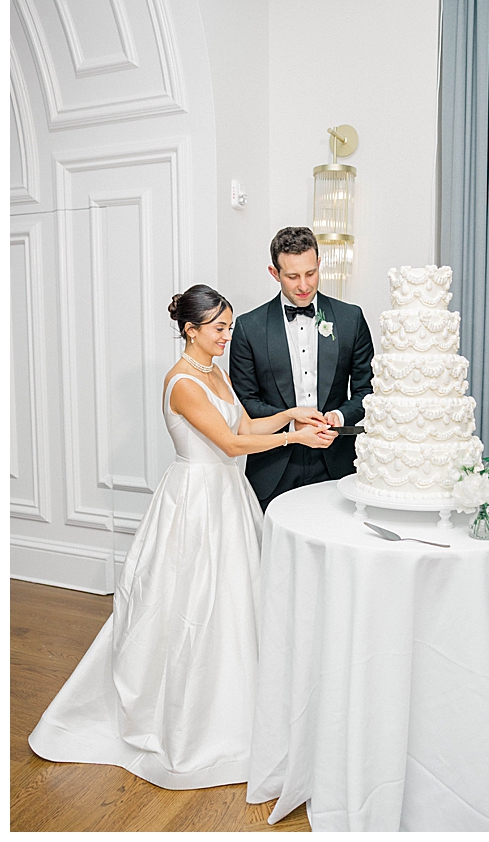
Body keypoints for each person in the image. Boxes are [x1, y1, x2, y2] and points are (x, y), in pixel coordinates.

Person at [28, 284, 336, 790]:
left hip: (227, 500)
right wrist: (297, 437)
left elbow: (246, 424)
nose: (226, 337)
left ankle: (238, 704)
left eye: (229, 327)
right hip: (195, 503)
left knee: (236, 605)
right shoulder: (184, 383)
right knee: (192, 607)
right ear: (190, 330)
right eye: (218, 329)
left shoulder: (211, 372)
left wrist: (289, 415)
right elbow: (232, 444)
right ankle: (187, 721)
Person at [229, 227, 374, 510]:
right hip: (273, 465)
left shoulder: (350, 319)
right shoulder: (249, 327)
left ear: (319, 264)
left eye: (310, 273)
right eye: (292, 276)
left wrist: (338, 416)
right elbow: (246, 402)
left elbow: (368, 390)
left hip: (336, 463)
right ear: (274, 273)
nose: (304, 285)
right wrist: (293, 423)